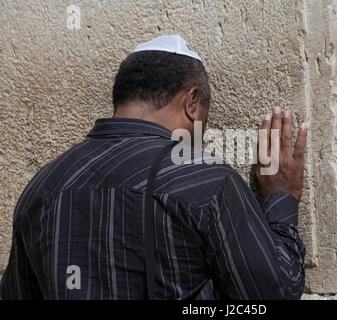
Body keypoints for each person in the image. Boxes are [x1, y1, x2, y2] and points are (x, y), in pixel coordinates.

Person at [0, 35, 308, 300]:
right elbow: (271, 293)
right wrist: (281, 196)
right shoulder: (205, 180)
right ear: (192, 101)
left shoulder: (42, 188)